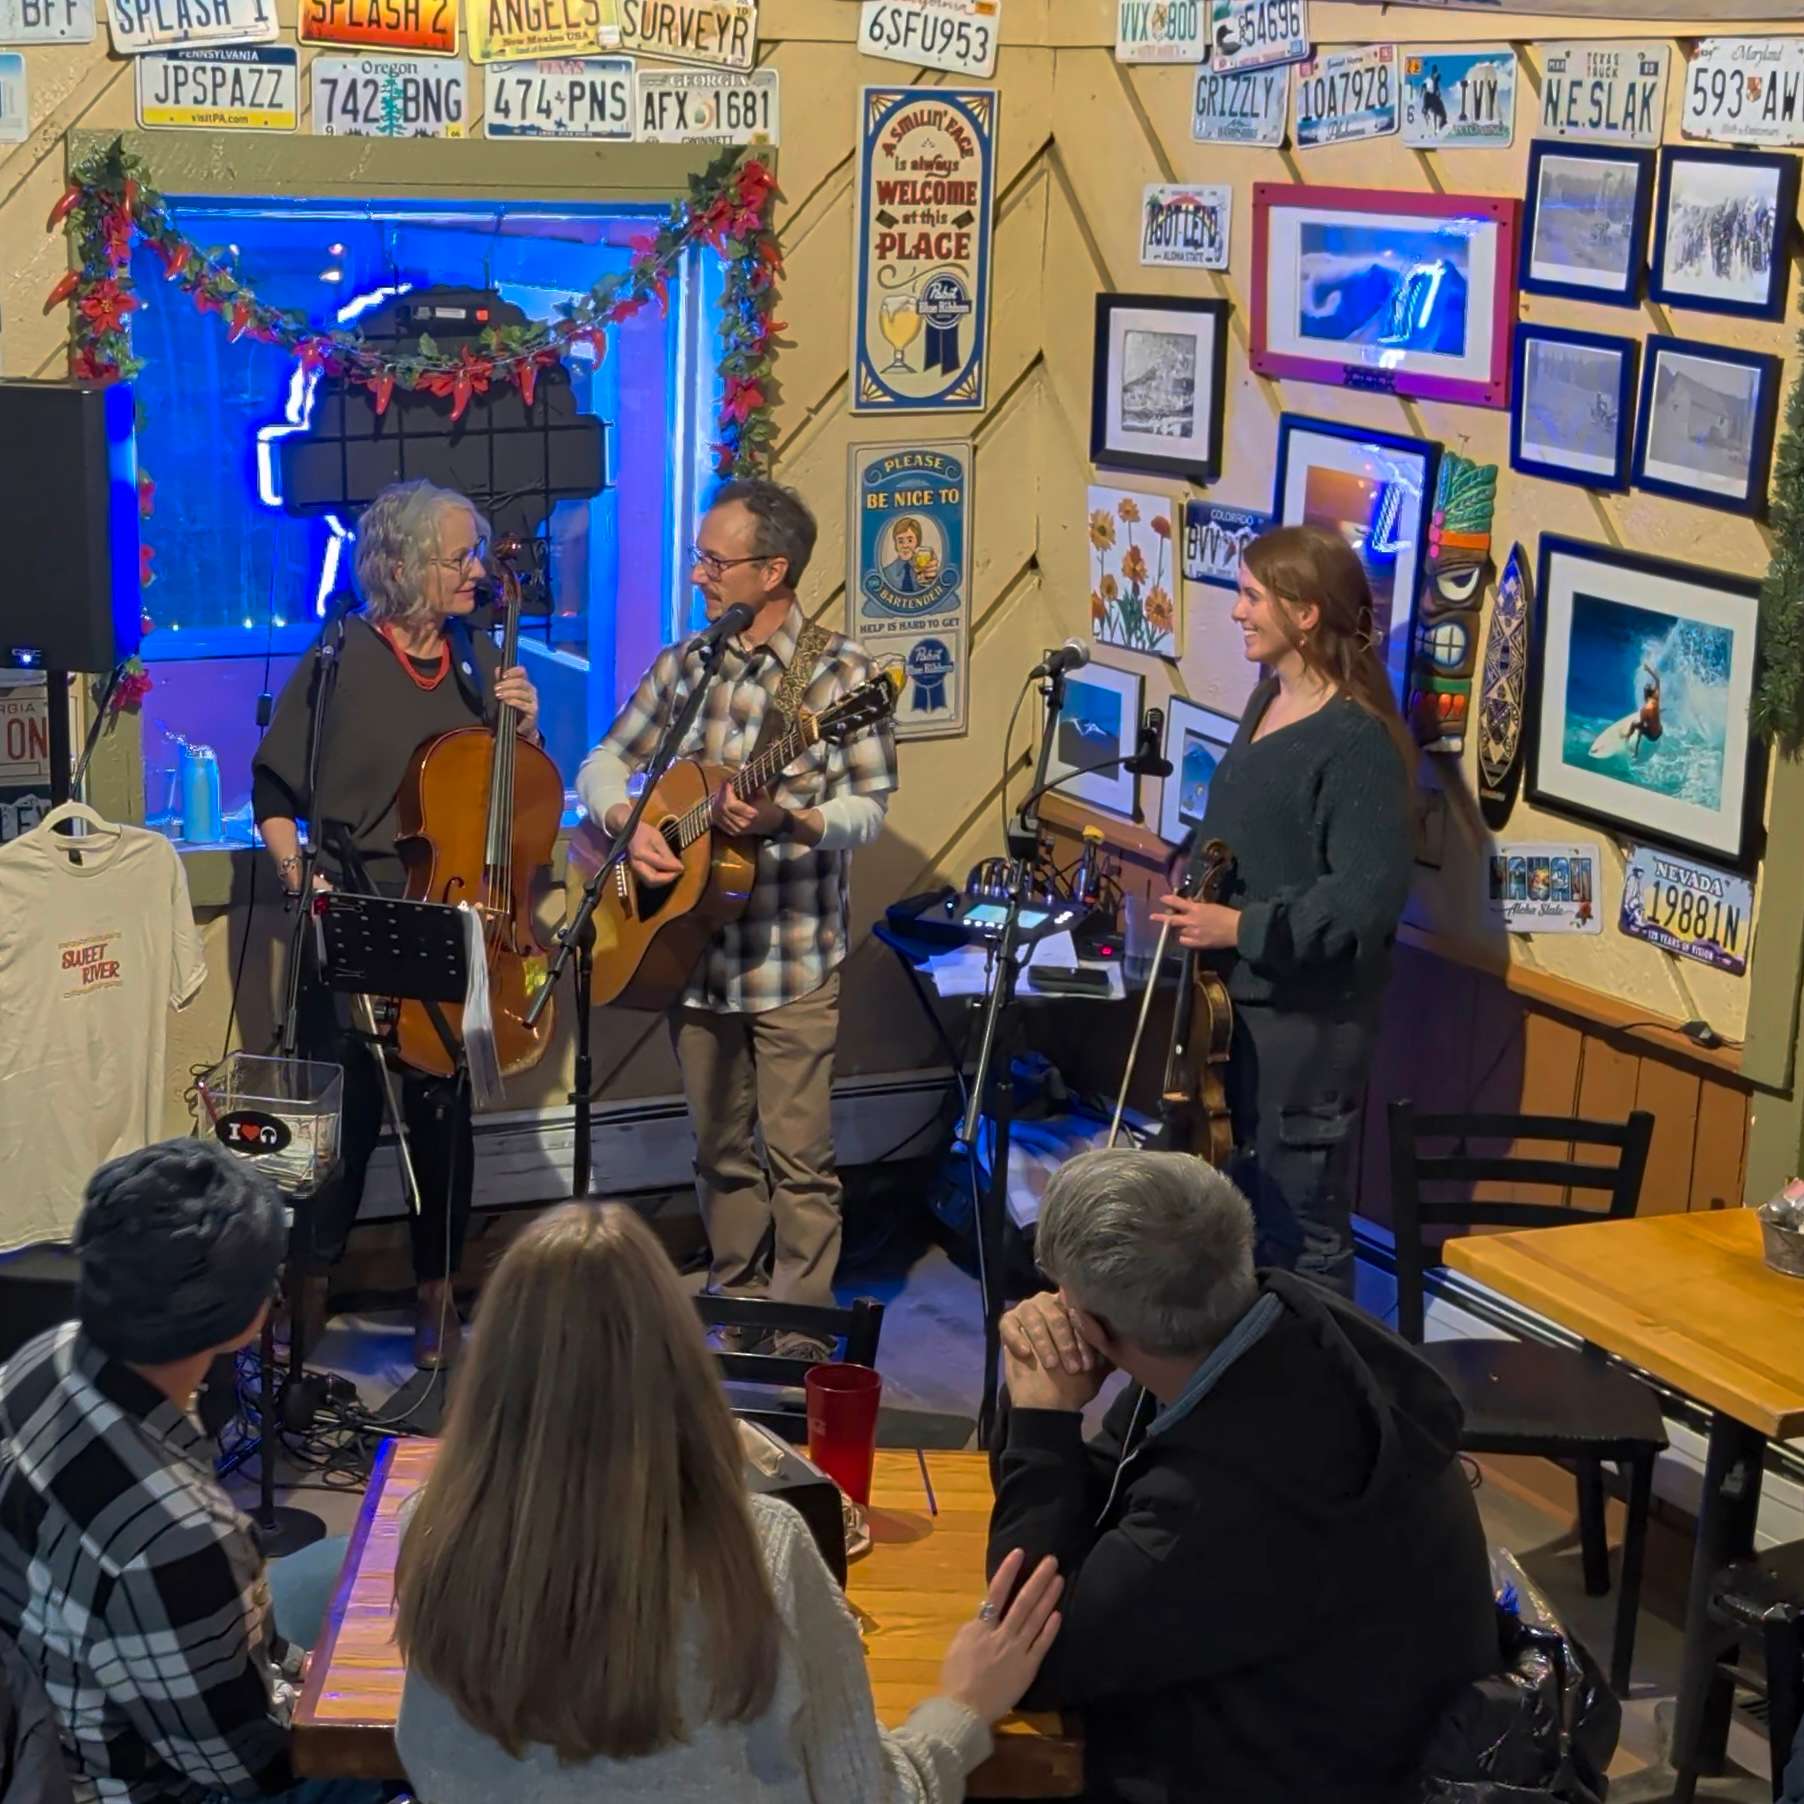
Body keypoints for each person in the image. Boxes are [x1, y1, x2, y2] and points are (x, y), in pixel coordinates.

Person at [394, 1202, 1062, 1802]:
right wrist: (962, 1711)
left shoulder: (429, 1529)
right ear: (680, 1362)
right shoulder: (765, 1545)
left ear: (491, 1374)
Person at [988, 1148, 1498, 1804]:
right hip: (1364, 1734)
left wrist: (1041, 1415)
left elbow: (1026, 1657)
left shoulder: (1223, 1495)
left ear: (1090, 1323)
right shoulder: (1272, 1324)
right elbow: (1107, 1487)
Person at [576, 480, 898, 1356]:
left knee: (799, 1158)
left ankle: (798, 1326)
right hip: (689, 952)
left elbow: (868, 809)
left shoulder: (842, 678)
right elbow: (604, 759)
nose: (699, 577)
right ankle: (735, 1295)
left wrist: (791, 821)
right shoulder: (687, 666)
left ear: (775, 570)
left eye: (716, 563)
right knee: (717, 1147)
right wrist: (628, 822)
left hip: (791, 957)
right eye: (700, 559)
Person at [252, 478, 542, 1369]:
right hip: (350, 914)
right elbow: (272, 788)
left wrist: (520, 728)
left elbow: (509, 799)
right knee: (335, 1125)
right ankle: (306, 1294)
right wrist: (302, 881)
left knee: (442, 1119)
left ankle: (436, 1297)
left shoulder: (470, 659)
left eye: (476, 556)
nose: (475, 572)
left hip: (448, 921)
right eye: (459, 556)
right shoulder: (340, 651)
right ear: (407, 562)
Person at [0, 1139, 379, 1804]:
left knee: (360, 1557)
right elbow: (246, 1767)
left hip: (49, 1700)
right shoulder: (184, 1536)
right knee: (417, 1722)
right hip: (132, 1785)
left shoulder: (39, 1358)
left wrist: (293, 1664)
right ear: (247, 1318)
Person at [1154, 524, 1414, 1296]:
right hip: (1231, 1012)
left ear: (1306, 614)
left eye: (1252, 596)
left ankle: (1321, 1398)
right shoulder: (1269, 698)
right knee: (1231, 1213)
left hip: (1306, 1028)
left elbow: (1364, 898)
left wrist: (1240, 927)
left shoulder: (1358, 742)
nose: (1237, 611)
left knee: (1299, 1224)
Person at [1627, 663, 1662, 758]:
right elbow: (1658, 681)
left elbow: (1640, 731)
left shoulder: (1644, 710)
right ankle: (1657, 715)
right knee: (1655, 714)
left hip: (1652, 737)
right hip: (1660, 731)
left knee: (1636, 724)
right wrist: (1649, 670)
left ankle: (1627, 737)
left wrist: (1636, 750)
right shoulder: (1656, 698)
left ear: (1645, 695)